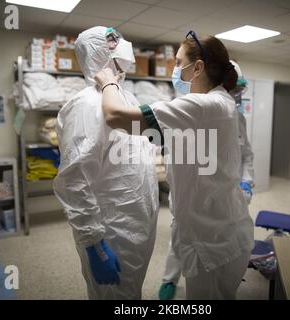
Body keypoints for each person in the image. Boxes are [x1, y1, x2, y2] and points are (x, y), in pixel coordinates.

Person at [94, 30, 254, 299]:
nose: (176, 69)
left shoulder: (201, 105)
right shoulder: (221, 102)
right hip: (226, 227)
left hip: (211, 241)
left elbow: (115, 116)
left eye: (179, 63)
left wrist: (108, 82)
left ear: (198, 67)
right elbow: (177, 139)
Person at [53, 26, 159, 300]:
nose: (122, 44)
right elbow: (74, 179)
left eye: (120, 38)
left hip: (135, 223)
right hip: (113, 229)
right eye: (112, 41)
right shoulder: (87, 104)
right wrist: (94, 245)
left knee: (130, 292)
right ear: (95, 51)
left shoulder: (124, 96)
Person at [158, 60, 255, 300]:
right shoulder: (187, 110)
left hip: (225, 194)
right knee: (181, 237)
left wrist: (246, 180)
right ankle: (169, 278)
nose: (235, 95)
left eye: (237, 90)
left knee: (213, 250)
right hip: (191, 196)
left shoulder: (237, 118)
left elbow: (245, 154)